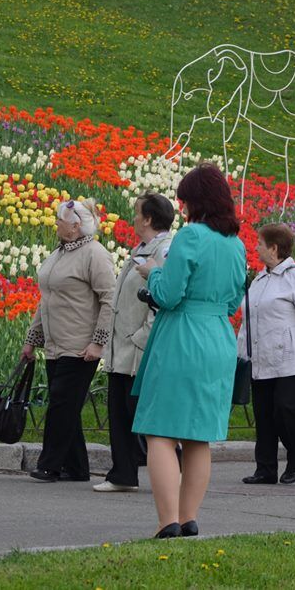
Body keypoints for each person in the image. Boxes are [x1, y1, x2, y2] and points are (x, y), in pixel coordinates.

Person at [132, 162, 246, 538]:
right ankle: (190, 516)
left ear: (194, 202)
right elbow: (233, 304)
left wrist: (153, 271)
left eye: (184, 201)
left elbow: (168, 295)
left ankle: (168, 522)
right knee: (198, 435)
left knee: (160, 431)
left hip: (182, 336)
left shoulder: (190, 237)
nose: (181, 208)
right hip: (218, 337)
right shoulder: (237, 244)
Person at [22, 199, 115, 483]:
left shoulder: (95, 254)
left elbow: (110, 300)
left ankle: (50, 465)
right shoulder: (61, 252)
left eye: (60, 220)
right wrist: (32, 339)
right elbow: (47, 299)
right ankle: (77, 468)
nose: (56, 224)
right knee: (67, 406)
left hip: (80, 347)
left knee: (61, 404)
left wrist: (98, 342)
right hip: (54, 345)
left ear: (75, 226)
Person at [93, 193, 175, 493]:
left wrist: (142, 338)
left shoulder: (164, 251)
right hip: (123, 346)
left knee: (141, 412)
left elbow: (163, 297)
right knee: (121, 410)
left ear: (150, 218)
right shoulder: (143, 248)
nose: (133, 218)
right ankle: (123, 473)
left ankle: (170, 465)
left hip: (138, 348)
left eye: (137, 213)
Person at [238, 223, 295, 486]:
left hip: (290, 359)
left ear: (274, 248)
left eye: (260, 243)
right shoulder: (260, 279)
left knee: (284, 410)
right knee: (264, 415)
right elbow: (248, 322)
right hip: (261, 359)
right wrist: (240, 355)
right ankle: (265, 469)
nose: (256, 247)